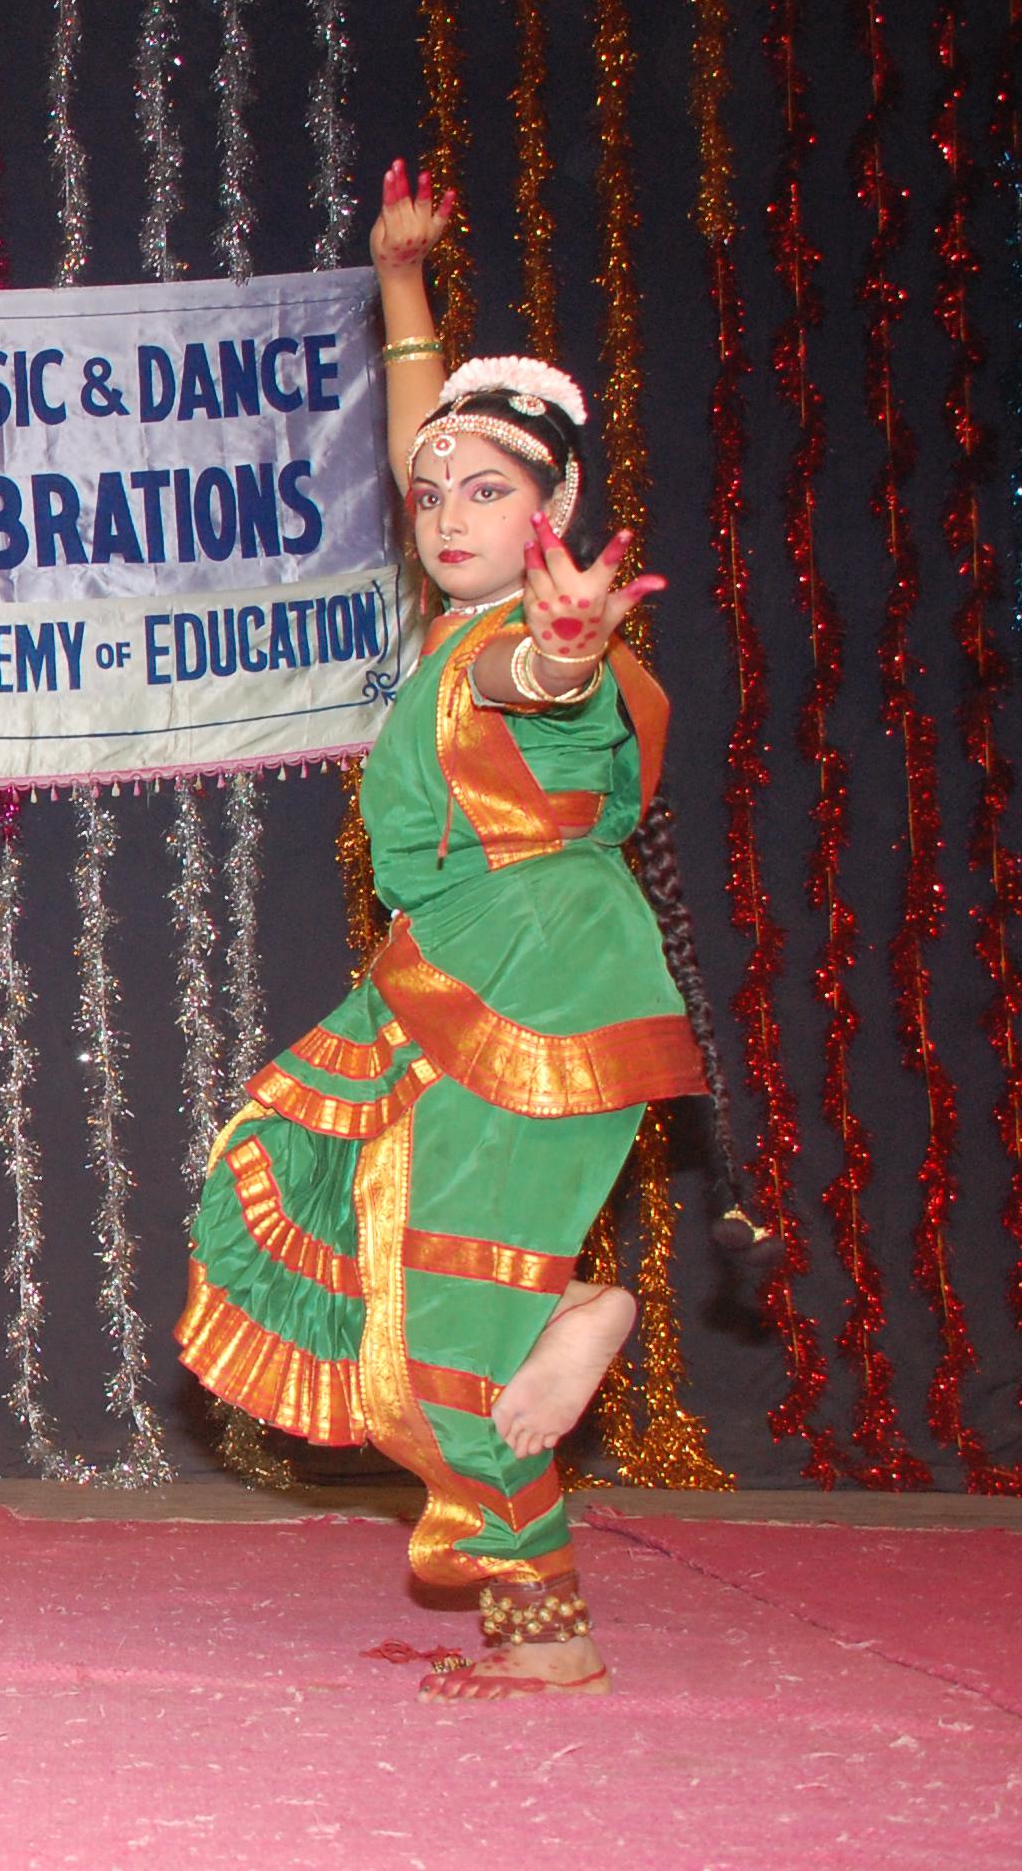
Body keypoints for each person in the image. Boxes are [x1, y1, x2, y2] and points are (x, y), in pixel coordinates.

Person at [175, 162, 726, 1701]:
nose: (445, 515)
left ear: (557, 514)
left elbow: (538, 686)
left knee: (441, 1340)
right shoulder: (446, 632)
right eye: (431, 497)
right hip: (455, 980)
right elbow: (427, 452)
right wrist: (400, 285)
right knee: (333, 1227)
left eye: (489, 493)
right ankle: (555, 1458)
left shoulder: (527, 653)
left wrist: (564, 654)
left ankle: (565, 1394)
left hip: (538, 989)